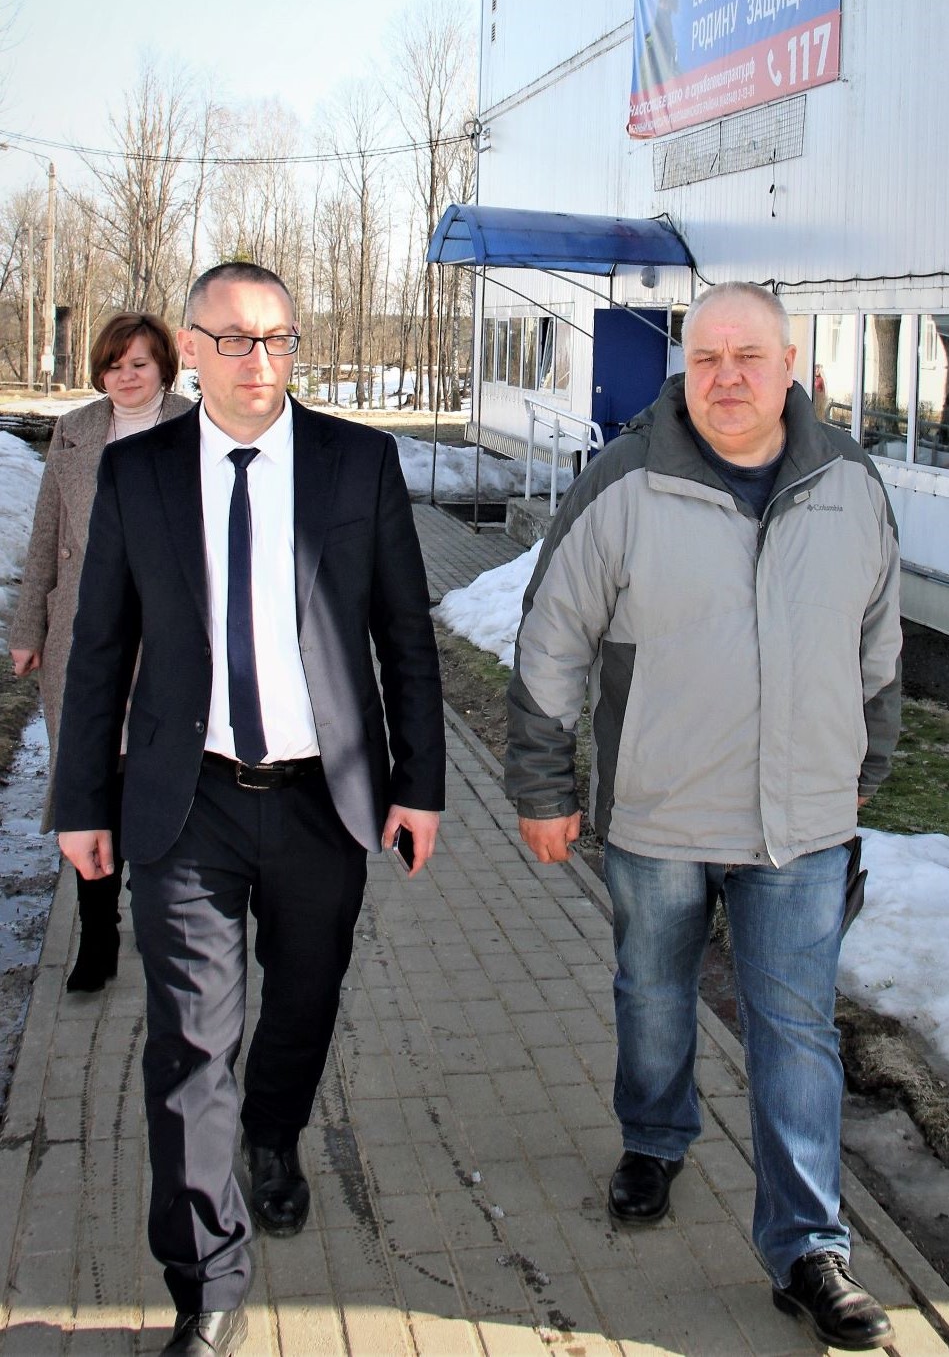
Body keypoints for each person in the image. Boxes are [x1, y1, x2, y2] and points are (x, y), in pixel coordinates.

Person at [54, 262, 445, 1357]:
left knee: (305, 999)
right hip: (187, 802)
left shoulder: (356, 461)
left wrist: (419, 786)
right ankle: (206, 1282)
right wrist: (81, 798)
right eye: (233, 338)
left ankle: (274, 1135)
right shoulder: (138, 473)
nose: (259, 359)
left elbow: (405, 636)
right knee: (189, 1042)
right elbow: (99, 647)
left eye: (277, 337)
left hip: (325, 797)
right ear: (190, 348)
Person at [506, 283, 901, 1354]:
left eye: (748, 356)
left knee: (795, 1031)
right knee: (652, 994)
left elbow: (876, 644)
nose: (725, 377)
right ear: (685, 367)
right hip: (661, 814)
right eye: (707, 356)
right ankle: (653, 1138)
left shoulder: (848, 483)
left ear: (790, 369)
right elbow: (550, 639)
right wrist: (543, 787)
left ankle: (808, 1250)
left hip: (800, 828)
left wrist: (864, 764)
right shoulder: (625, 480)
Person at [9, 311, 191, 991]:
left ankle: (159, 914)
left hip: (169, 636)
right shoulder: (76, 430)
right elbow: (46, 534)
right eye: (114, 366)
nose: (126, 377)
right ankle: (96, 934)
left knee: (159, 774)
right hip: (82, 634)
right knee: (92, 780)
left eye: (138, 364)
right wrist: (28, 629)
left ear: (164, 365)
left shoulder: (195, 428)